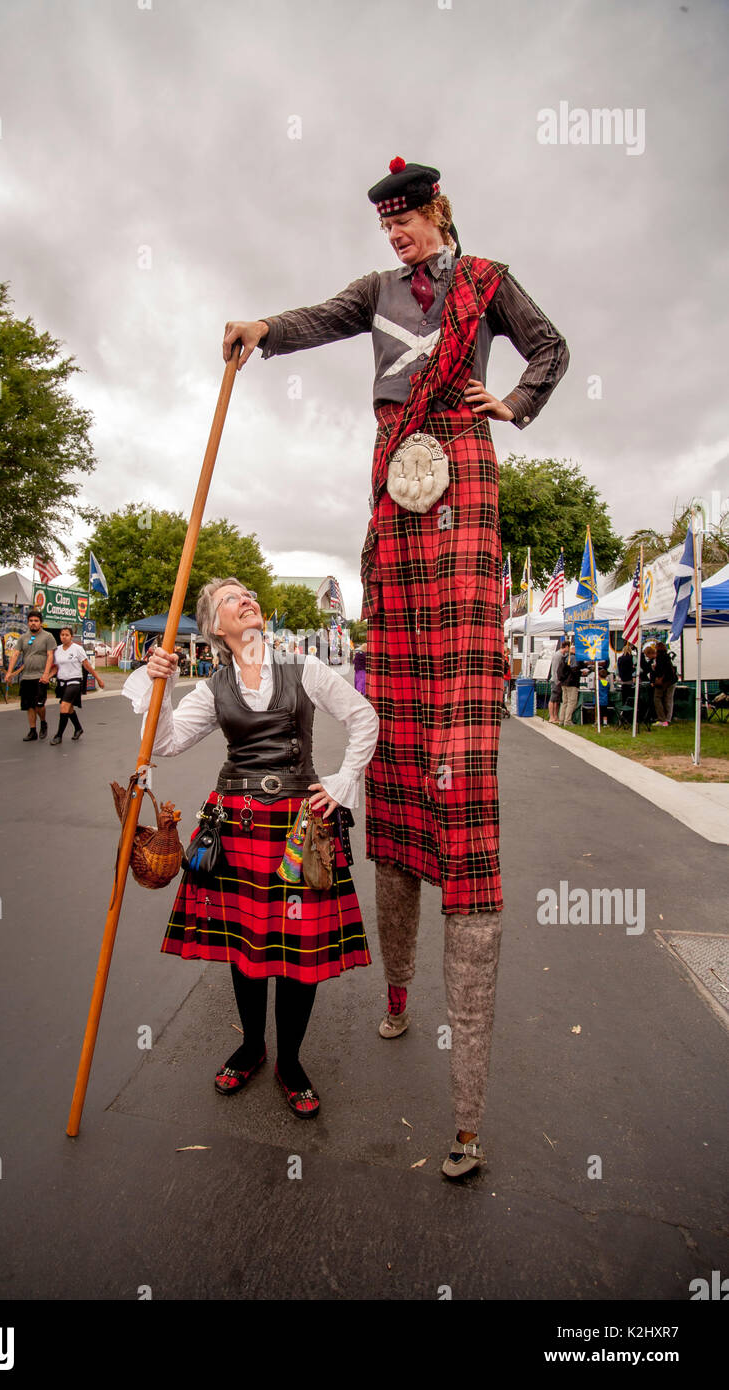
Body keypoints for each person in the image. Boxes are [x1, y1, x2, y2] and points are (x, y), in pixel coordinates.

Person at [223, 156, 569, 1176]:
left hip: (459, 467)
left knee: (455, 726)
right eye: (385, 227)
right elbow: (318, 319)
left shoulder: (487, 281)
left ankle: (464, 1101)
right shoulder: (374, 296)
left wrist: (514, 403)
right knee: (395, 711)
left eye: (406, 221)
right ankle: (397, 990)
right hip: (389, 485)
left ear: (434, 210)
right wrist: (257, 331)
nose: (396, 239)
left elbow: (549, 346)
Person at [122, 577, 379, 1119]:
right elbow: (164, 743)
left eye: (246, 593)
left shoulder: (303, 669)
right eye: (230, 597)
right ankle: (251, 1046)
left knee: (299, 951)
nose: (245, 598)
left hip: (298, 823)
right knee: (247, 944)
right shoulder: (214, 686)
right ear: (216, 626)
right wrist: (156, 685)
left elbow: (364, 718)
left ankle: (289, 1060)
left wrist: (340, 782)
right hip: (235, 824)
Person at [3, 610, 56, 742]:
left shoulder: (48, 637)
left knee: (39, 704)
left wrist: (46, 674)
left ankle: (43, 722)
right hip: (26, 676)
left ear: (41, 623)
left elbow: (50, 656)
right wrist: (9, 672)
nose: (33, 623)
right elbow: (15, 655)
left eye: (36, 621)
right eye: (31, 621)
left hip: (40, 676)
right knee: (29, 706)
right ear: (28, 623)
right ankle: (32, 731)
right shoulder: (23, 638)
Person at [50, 625, 104, 744]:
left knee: (64, 706)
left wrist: (98, 679)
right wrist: (46, 677)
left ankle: (58, 735)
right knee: (68, 709)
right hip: (62, 682)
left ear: (71, 637)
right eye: (62, 635)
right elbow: (56, 668)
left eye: (67, 635)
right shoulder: (57, 650)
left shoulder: (77, 649)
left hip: (74, 681)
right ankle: (78, 728)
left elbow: (87, 665)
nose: (64, 637)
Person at [651, 641, 678, 726]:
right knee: (668, 700)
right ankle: (667, 719)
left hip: (665, 681)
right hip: (672, 681)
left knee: (657, 698)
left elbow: (660, 671)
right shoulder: (667, 657)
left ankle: (662, 719)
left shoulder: (659, 658)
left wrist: (654, 670)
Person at [558, 646, 581, 727]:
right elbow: (574, 670)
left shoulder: (564, 657)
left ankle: (561, 720)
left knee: (564, 702)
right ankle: (567, 720)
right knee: (572, 702)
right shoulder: (573, 658)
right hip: (571, 683)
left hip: (563, 682)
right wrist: (581, 673)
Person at [548, 640, 569, 724]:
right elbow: (555, 669)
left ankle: (556, 716)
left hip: (559, 681)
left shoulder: (563, 655)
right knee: (553, 699)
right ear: (566, 647)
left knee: (557, 700)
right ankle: (551, 717)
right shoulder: (558, 655)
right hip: (555, 680)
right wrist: (557, 680)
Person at [617, 642, 635, 707]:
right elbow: (633, 669)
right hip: (630, 680)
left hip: (623, 681)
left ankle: (624, 710)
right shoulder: (631, 658)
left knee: (624, 699)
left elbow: (618, 670)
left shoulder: (619, 659)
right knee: (630, 699)